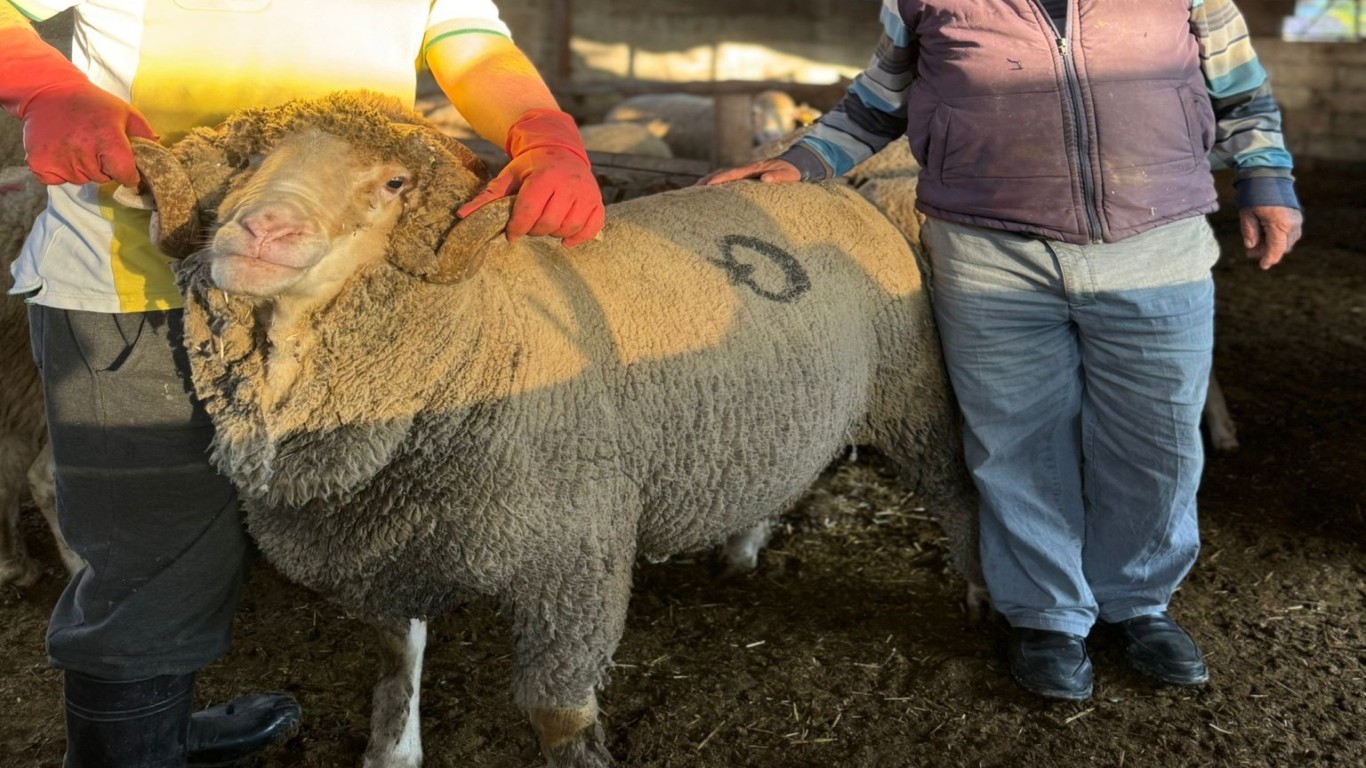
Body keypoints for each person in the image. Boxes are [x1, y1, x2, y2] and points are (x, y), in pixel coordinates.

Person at [0, 0, 604, 764]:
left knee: (255, 534)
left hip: (332, 298)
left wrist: (542, 131)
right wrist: (47, 89)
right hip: (139, 284)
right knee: (144, 547)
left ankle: (159, 726)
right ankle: (126, 751)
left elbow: (471, 43)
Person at [703, 0, 1302, 702]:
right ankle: (1047, 615)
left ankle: (1138, 602)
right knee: (1019, 438)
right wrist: (802, 160)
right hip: (990, 250)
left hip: (1156, 242)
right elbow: (879, 100)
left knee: (1158, 440)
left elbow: (1241, 91)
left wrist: (1267, 180)